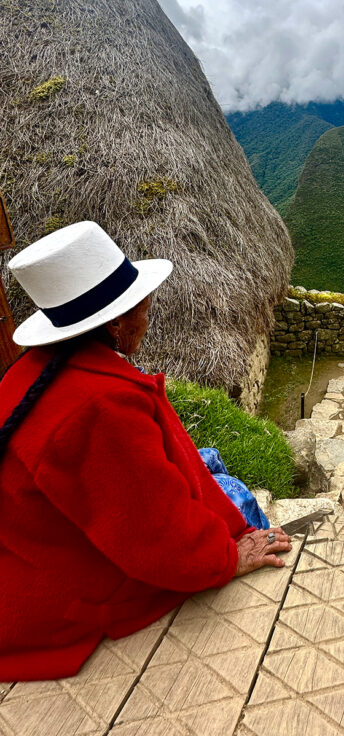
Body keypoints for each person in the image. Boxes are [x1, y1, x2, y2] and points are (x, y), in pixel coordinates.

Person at [0, 221, 291, 681]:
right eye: (142, 306)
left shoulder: (32, 373)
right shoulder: (101, 410)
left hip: (41, 541)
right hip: (61, 589)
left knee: (211, 463)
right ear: (116, 322)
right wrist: (227, 557)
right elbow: (153, 532)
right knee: (242, 504)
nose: (149, 314)